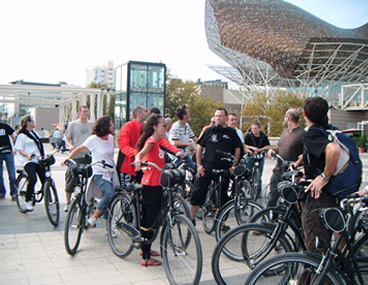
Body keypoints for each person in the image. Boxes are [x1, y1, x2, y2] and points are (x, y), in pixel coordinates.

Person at [133, 114, 181, 266]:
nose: (165, 127)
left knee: (153, 219)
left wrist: (178, 153)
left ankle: (145, 248)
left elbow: (170, 146)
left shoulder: (159, 140)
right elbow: (141, 153)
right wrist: (138, 159)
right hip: (151, 185)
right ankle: (145, 258)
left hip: (157, 184)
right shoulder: (151, 141)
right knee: (150, 220)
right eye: (162, 125)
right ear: (155, 127)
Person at [62, 116, 116, 232]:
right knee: (109, 194)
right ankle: (93, 218)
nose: (113, 126)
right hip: (99, 173)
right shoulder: (93, 139)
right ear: (105, 127)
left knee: (108, 200)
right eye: (111, 124)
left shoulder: (111, 139)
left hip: (110, 172)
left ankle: (108, 229)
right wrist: (67, 159)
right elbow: (79, 149)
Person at [302, 96, 342, 254]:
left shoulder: (312, 134)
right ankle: (305, 279)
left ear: (305, 114)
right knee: (324, 242)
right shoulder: (330, 129)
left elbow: (333, 150)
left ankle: (323, 278)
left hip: (319, 197)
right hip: (333, 194)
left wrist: (324, 177)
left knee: (315, 250)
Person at [190, 108, 241, 224]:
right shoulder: (209, 131)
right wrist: (199, 165)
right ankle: (191, 219)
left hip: (224, 169)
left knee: (223, 198)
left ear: (226, 118)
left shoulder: (231, 132)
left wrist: (233, 165)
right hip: (207, 168)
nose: (218, 118)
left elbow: (237, 149)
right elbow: (199, 148)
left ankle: (220, 223)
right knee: (197, 193)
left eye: (221, 116)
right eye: (216, 116)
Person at [117, 105, 180, 184]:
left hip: (143, 165)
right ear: (139, 114)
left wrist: (175, 151)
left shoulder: (144, 127)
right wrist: (139, 154)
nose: (148, 112)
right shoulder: (127, 127)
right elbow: (124, 147)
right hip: (128, 166)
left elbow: (160, 140)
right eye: (146, 111)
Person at [267, 109, 304, 207]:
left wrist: (299, 162)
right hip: (278, 170)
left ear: (287, 118)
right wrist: (273, 150)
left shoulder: (302, 133)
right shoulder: (285, 132)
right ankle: (267, 219)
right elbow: (280, 146)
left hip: (291, 173)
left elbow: (307, 153)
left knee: (288, 201)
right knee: (272, 197)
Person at [64, 106, 94, 211]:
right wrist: (70, 146)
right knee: (71, 178)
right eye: (84, 112)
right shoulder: (73, 125)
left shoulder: (92, 125)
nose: (86, 113)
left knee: (91, 179)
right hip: (76, 156)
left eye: (87, 112)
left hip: (88, 156)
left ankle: (91, 200)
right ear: (79, 113)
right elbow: (67, 139)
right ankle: (68, 202)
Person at [14, 115, 45, 211]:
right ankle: (28, 201)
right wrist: (27, 155)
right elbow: (19, 150)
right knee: (32, 178)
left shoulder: (34, 134)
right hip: (28, 160)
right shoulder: (22, 135)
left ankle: (50, 202)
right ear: (28, 123)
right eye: (32, 121)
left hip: (37, 159)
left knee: (46, 179)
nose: (34, 122)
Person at [244, 122, 271, 197]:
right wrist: (252, 148)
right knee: (248, 172)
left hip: (260, 156)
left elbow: (268, 146)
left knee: (259, 175)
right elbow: (244, 145)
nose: (254, 130)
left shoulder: (263, 136)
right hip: (251, 156)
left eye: (255, 128)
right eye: (253, 128)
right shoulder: (249, 135)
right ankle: (248, 188)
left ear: (259, 129)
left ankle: (258, 191)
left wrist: (259, 150)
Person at [170, 105, 198, 171]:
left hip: (185, 155)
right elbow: (176, 142)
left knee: (194, 169)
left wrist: (203, 145)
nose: (189, 113)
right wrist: (188, 144)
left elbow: (194, 137)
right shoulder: (176, 126)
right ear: (184, 115)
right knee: (176, 173)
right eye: (188, 112)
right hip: (177, 156)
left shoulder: (187, 126)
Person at [0, 121, 17, 200]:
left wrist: (15, 148)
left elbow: (13, 136)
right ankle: (1, 192)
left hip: (8, 152)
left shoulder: (5, 126)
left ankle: (13, 193)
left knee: (12, 174)